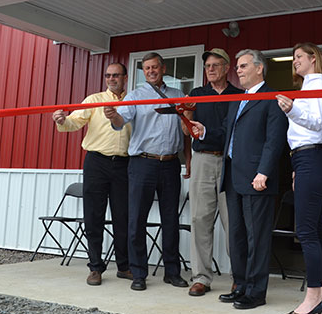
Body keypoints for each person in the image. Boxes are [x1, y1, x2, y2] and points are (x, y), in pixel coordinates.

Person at [190, 49, 288, 310]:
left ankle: (256, 292)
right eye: (238, 66)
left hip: (257, 178)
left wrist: (264, 172)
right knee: (237, 235)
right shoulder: (238, 99)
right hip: (232, 177)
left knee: (256, 237)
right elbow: (226, 133)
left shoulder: (271, 99)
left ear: (259, 68)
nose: (239, 70)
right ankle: (242, 285)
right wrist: (205, 131)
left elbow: (274, 141)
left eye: (243, 65)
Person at [105, 52, 192, 292]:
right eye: (147, 68)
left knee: (170, 219)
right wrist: (114, 117)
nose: (151, 71)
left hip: (172, 163)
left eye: (155, 67)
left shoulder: (177, 96)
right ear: (143, 71)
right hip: (143, 163)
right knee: (137, 220)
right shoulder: (135, 96)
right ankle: (139, 273)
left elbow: (187, 129)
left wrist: (189, 161)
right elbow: (122, 121)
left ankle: (172, 272)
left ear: (163, 68)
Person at [52, 62, 132, 286]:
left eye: (116, 75)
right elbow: (74, 121)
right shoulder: (94, 100)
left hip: (125, 164)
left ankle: (124, 266)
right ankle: (95, 267)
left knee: (122, 216)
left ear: (125, 77)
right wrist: (62, 120)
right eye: (108, 75)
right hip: (97, 162)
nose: (111, 79)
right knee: (93, 216)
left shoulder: (133, 101)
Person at [276, 43, 322, 314]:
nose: (294, 62)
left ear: (314, 58)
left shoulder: (318, 85)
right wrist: (295, 167)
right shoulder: (311, 87)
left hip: (311, 159)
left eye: (299, 57)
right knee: (316, 229)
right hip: (306, 160)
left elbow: (318, 122)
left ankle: (313, 298)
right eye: (293, 58)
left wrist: (291, 110)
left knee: (307, 232)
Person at [182, 48, 242, 297]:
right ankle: (201, 277)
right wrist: (186, 112)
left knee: (234, 223)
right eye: (207, 66)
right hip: (203, 160)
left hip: (231, 161)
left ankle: (239, 277)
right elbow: (187, 133)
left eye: (216, 65)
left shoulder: (239, 95)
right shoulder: (197, 94)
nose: (211, 70)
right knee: (199, 220)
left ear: (227, 67)